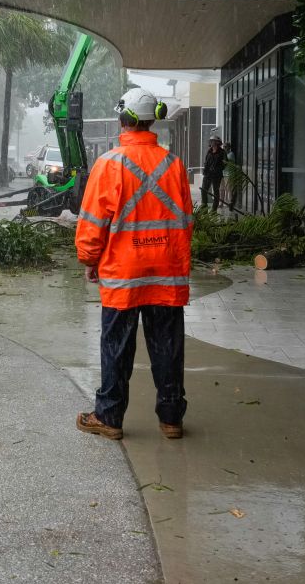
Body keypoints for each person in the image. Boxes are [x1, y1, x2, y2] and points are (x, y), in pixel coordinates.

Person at [74, 87, 194, 441]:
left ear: (122, 119)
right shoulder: (173, 165)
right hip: (166, 274)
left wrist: (89, 259)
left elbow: (93, 222)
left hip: (124, 275)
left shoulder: (110, 164)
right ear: (150, 120)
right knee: (167, 348)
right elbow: (186, 220)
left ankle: (109, 417)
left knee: (117, 348)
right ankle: (171, 418)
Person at [202, 136, 226, 212]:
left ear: (217, 143)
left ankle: (214, 209)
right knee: (203, 190)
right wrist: (205, 170)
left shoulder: (222, 152)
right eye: (211, 141)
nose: (212, 142)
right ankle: (204, 207)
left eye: (213, 141)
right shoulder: (209, 151)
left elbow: (225, 163)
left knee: (216, 191)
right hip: (207, 174)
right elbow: (206, 162)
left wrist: (217, 169)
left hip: (217, 175)